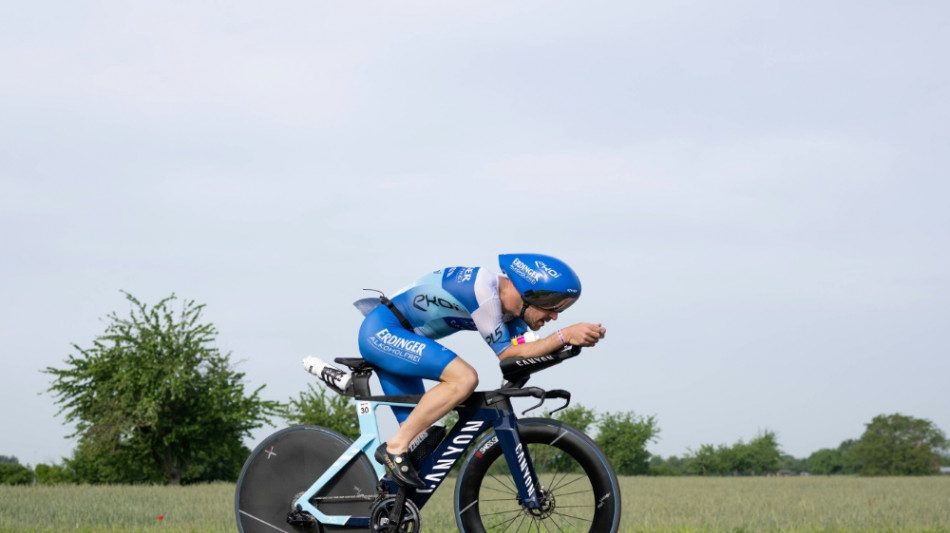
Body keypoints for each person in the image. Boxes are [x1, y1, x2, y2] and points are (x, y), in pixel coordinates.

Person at [357, 253, 607, 488]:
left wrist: (569, 347)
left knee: (422, 450)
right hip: (383, 332)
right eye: (552, 306)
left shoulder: (511, 316)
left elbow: (521, 359)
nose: (554, 316)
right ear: (529, 292)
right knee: (464, 378)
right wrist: (565, 336)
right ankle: (394, 446)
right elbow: (508, 355)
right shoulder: (483, 292)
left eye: (560, 310)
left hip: (401, 340)